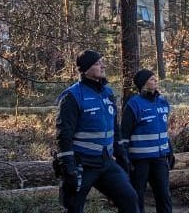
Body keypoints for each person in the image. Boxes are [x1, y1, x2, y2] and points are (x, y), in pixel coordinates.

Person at [54, 50, 138, 213]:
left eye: (102, 62)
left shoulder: (107, 93)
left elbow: (115, 128)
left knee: (129, 198)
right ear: (85, 69)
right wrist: (68, 167)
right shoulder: (72, 96)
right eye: (98, 63)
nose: (103, 65)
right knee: (73, 207)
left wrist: (121, 156)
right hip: (82, 164)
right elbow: (64, 134)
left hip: (106, 162)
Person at [122, 69, 174, 213]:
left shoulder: (163, 103)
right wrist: (124, 158)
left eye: (155, 79)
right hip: (139, 161)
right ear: (143, 84)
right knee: (137, 196)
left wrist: (170, 150)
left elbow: (163, 130)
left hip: (160, 159)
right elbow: (124, 134)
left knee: (164, 196)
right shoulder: (134, 105)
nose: (155, 81)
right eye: (151, 79)